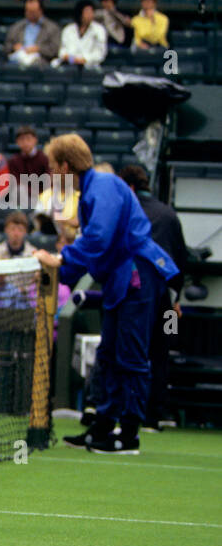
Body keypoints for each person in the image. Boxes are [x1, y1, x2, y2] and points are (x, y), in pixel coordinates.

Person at [33, 135, 179, 454]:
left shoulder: (104, 186)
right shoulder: (92, 190)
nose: (50, 174)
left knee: (132, 357)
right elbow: (95, 248)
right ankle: (102, 428)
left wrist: (61, 260)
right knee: (109, 354)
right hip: (119, 280)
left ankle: (128, 436)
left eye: (52, 167)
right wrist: (58, 271)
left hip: (138, 276)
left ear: (65, 166)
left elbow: (98, 239)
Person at [119, 163, 189, 429]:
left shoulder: (127, 212)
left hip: (136, 296)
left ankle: (125, 410)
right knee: (163, 349)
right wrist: (176, 298)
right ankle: (159, 412)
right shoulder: (169, 214)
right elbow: (180, 258)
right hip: (169, 302)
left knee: (135, 351)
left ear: (130, 187)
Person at [4, 0, 60, 67]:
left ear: (40, 11)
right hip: (18, 59)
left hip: (40, 61)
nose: (29, 14)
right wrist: (14, 47)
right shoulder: (17, 27)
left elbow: (54, 50)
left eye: (32, 12)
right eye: (27, 11)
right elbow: (7, 46)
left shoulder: (52, 28)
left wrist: (39, 49)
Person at [54, 0, 107, 69]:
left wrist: (84, 59)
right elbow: (62, 51)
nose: (90, 15)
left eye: (92, 12)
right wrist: (72, 59)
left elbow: (100, 54)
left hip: (90, 66)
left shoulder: (99, 30)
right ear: (80, 13)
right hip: (69, 64)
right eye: (87, 12)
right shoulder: (68, 29)